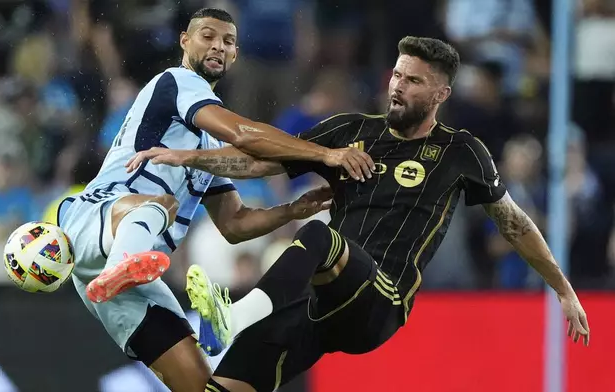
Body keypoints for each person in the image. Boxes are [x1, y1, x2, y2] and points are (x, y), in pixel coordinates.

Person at [129, 36, 591, 392]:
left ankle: (230, 318)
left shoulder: (461, 151)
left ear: (441, 93)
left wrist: (563, 288)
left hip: (381, 300)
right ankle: (238, 324)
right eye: (396, 75)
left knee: (318, 235)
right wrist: (189, 157)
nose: (397, 86)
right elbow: (260, 162)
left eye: (413, 81)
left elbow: (513, 223)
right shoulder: (351, 130)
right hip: (319, 304)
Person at [55, 8, 373, 392]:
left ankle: (125, 266)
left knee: (200, 386)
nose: (218, 46)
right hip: (99, 219)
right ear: (184, 41)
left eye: (228, 42)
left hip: (131, 274)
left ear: (235, 55)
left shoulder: (207, 146)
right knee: (162, 205)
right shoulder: (176, 81)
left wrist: (291, 209)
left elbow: (236, 224)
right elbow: (244, 133)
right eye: (208, 36)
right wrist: (325, 153)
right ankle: (125, 261)